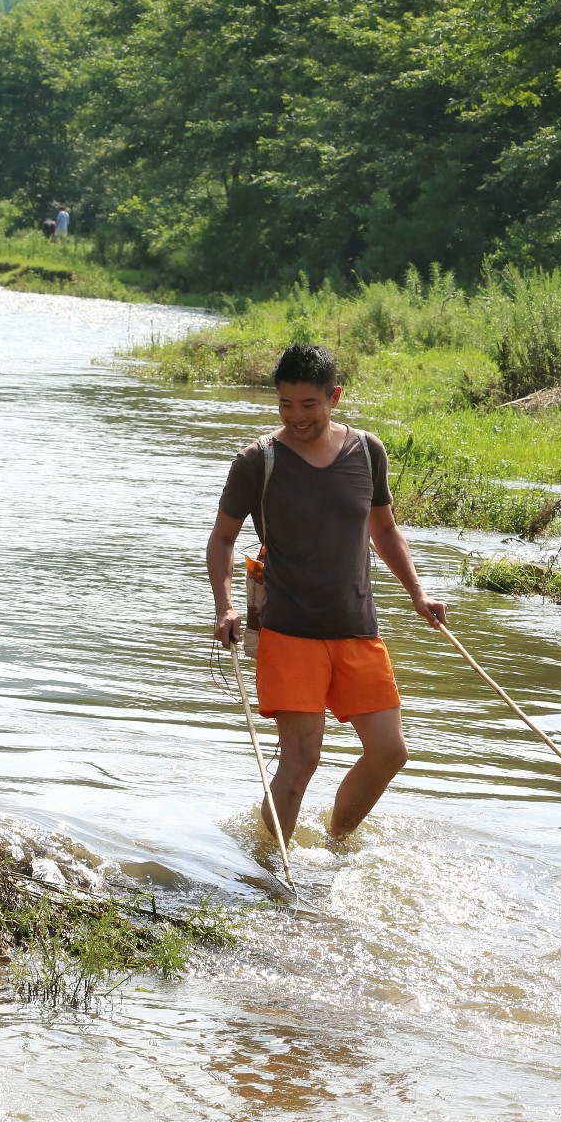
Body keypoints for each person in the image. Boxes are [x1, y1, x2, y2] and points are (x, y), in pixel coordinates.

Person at [207, 343, 446, 843]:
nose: (296, 416)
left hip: (357, 627)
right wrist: (226, 605)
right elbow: (223, 539)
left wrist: (419, 594)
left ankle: (338, 841)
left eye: (309, 404)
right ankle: (273, 869)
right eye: (285, 404)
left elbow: (385, 531)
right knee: (301, 759)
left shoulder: (367, 450)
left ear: (334, 396)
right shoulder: (258, 461)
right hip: (289, 631)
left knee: (389, 752)